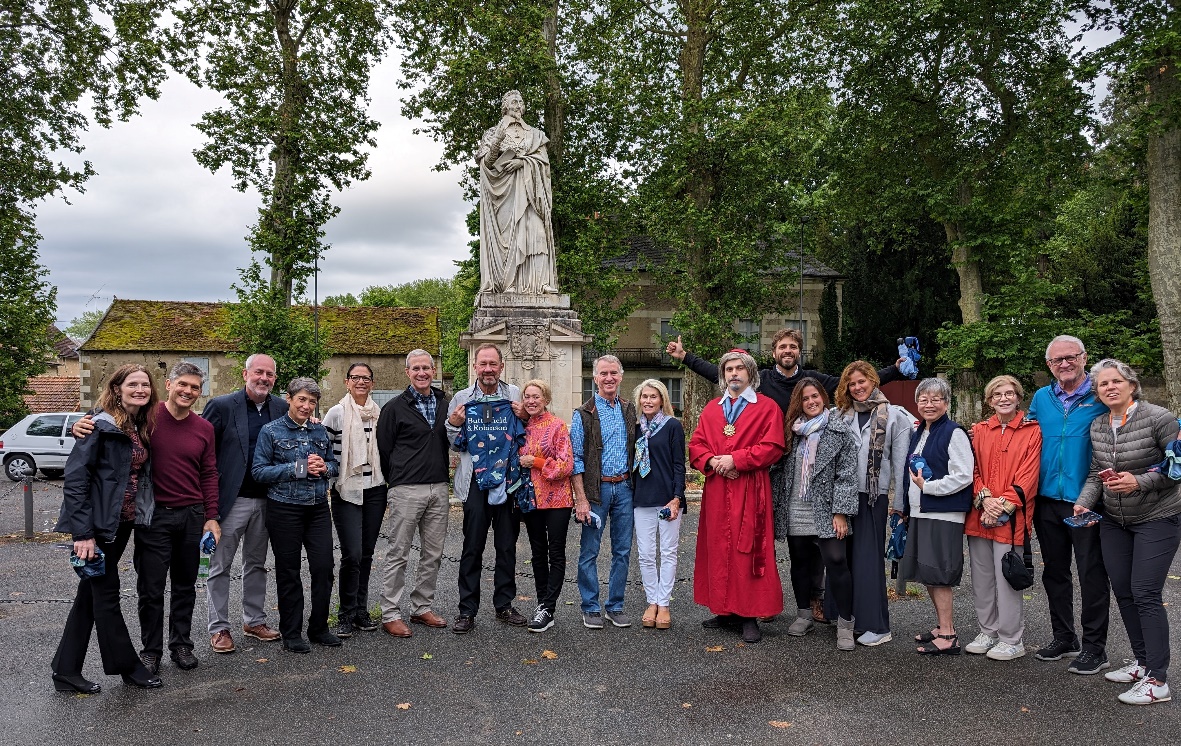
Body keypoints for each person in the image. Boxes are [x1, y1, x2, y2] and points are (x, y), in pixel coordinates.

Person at [668, 329, 903, 623]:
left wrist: (893, 370)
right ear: (775, 351)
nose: (787, 350)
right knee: (762, 551)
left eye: (793, 346)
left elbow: (852, 383)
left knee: (791, 552)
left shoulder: (805, 392)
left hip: (760, 480)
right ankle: (730, 608)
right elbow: (700, 435)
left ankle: (796, 607)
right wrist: (685, 357)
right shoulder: (745, 391)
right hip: (762, 481)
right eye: (782, 346)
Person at [72, 362, 222, 674]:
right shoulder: (148, 418)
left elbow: (209, 473)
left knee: (184, 585)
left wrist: (212, 517)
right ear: (169, 384)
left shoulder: (204, 428)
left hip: (193, 516)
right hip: (155, 517)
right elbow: (110, 419)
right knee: (151, 588)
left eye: (195, 387)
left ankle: (181, 645)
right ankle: (151, 650)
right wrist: (81, 423)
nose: (188, 391)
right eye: (183, 384)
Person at [1074, 359, 1181, 705]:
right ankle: (1143, 662)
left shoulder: (1159, 418)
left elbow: (1176, 468)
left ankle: (1159, 681)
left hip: (1159, 516)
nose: (1110, 388)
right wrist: (1084, 502)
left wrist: (1139, 481)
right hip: (1114, 520)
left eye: (1116, 381)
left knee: (1145, 592)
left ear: (1131, 384)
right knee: (1123, 590)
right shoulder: (1098, 425)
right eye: (1103, 384)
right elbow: (1095, 472)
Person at [52, 364, 163, 692]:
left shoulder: (140, 424)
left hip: (122, 525)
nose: (140, 389)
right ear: (117, 388)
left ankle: (64, 669)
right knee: (106, 596)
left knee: (89, 596)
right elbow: (75, 479)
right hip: (96, 529)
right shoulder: (97, 424)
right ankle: (129, 667)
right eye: (132, 384)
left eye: (145, 384)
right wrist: (82, 534)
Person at [1026, 335, 1111, 674]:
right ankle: (1064, 637)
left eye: (1070, 357)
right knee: (1055, 572)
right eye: (1057, 360)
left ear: (1083, 357)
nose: (1064, 364)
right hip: (1047, 500)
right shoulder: (1041, 398)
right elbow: (1024, 434)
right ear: (1049, 365)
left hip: (1087, 500)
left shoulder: (1100, 395)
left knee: (1092, 574)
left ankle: (1094, 647)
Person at [689, 349, 786, 643]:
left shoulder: (767, 407)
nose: (733, 374)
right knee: (718, 548)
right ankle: (724, 609)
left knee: (748, 549)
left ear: (751, 374)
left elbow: (773, 447)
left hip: (750, 489)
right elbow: (696, 445)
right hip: (718, 489)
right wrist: (715, 463)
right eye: (729, 369)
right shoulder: (712, 409)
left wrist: (736, 460)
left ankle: (749, 614)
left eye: (739, 369)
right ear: (723, 375)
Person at [201, 353, 286, 653]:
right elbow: (202, 449)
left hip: (267, 500)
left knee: (256, 564)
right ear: (245, 374)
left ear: (275, 378)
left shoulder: (281, 407)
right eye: (258, 372)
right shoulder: (222, 406)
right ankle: (219, 628)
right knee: (219, 565)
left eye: (270, 374)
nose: (264, 378)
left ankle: (254, 620)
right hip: (231, 500)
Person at [252, 378, 340, 653]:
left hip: (317, 508)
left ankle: (319, 627)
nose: (306, 405)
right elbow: (259, 472)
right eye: (301, 399)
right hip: (284, 508)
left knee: (324, 567)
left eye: (312, 401)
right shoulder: (271, 431)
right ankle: (291, 632)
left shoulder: (320, 432)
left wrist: (325, 467)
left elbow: (335, 464)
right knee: (288, 571)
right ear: (289, 398)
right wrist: (299, 467)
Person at [446, 343, 529, 634]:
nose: (488, 369)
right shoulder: (461, 398)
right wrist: (452, 424)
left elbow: (527, 434)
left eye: (493, 364)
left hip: (508, 482)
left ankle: (504, 604)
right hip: (475, 481)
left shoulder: (515, 395)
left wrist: (525, 417)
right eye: (483, 364)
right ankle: (466, 610)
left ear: (501, 367)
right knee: (472, 546)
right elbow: (454, 443)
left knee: (506, 545)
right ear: (475, 367)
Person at [774, 377, 859, 650]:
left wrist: (841, 512)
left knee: (836, 562)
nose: (811, 402)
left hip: (826, 509)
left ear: (824, 398)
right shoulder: (791, 432)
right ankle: (804, 614)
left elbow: (847, 476)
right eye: (805, 399)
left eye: (815, 397)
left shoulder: (839, 431)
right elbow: (777, 466)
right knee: (799, 563)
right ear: (798, 403)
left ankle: (846, 623)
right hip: (795, 507)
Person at [832, 361, 913, 646]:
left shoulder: (895, 416)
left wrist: (900, 506)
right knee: (843, 559)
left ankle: (877, 626)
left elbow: (902, 465)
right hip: (841, 497)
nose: (857, 387)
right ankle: (846, 615)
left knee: (867, 561)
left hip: (872, 497)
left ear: (873, 380)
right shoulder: (839, 415)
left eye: (862, 381)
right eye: (852, 383)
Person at [964, 375, 1041, 661]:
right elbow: (971, 468)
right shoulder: (980, 430)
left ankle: (1011, 639)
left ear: (1019, 398)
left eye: (1009, 393)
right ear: (989, 400)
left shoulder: (1032, 431)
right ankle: (988, 631)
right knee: (982, 578)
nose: (1004, 398)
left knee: (1007, 576)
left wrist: (1002, 505)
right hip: (979, 515)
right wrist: (984, 499)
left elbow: (1029, 474)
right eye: (997, 394)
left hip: (1011, 518)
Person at [375, 350, 452, 637]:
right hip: (406, 489)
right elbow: (384, 449)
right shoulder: (394, 408)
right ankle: (390, 612)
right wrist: (396, 480)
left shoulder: (445, 403)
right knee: (399, 552)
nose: (422, 373)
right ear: (407, 372)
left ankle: (422, 607)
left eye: (426, 368)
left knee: (433, 553)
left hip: (439, 487)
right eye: (416, 368)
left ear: (434, 370)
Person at [901, 377, 973, 655]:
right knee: (929, 572)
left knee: (940, 573)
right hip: (922, 511)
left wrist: (929, 488)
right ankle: (942, 626)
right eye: (923, 399)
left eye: (935, 399)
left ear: (946, 403)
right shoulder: (921, 432)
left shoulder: (954, 432)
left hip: (944, 513)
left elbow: (964, 475)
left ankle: (949, 634)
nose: (929, 404)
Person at [572, 354, 638, 629]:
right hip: (596, 492)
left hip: (624, 488)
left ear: (620, 377)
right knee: (589, 551)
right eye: (603, 374)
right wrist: (581, 499)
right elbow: (576, 459)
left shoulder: (629, 409)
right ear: (595, 378)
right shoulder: (583, 413)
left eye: (613, 373)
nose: (609, 378)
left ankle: (615, 605)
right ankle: (590, 607)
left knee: (622, 551)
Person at [323, 363, 386, 638]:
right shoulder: (336, 413)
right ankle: (346, 613)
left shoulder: (378, 413)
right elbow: (322, 447)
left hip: (375, 489)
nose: (361, 382)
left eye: (366, 378)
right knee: (353, 554)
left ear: (372, 383)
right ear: (347, 382)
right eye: (356, 378)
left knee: (368, 553)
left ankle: (361, 609)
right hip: (347, 490)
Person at [476, 89, 559, 296]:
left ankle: (540, 284)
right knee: (509, 239)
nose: (517, 104)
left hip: (530, 193)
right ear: (505, 106)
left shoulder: (535, 134)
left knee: (538, 233)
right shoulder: (492, 133)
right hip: (504, 195)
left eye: (520, 101)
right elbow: (486, 164)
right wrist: (498, 139)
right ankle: (508, 284)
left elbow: (543, 165)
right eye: (513, 101)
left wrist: (522, 161)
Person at [517, 379, 575, 632]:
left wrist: (537, 462)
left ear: (546, 399)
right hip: (531, 500)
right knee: (537, 554)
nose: (531, 401)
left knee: (556, 553)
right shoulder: (520, 427)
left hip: (558, 499)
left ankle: (548, 606)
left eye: (536, 396)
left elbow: (566, 465)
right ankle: (543, 605)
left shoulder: (557, 426)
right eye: (527, 396)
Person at [630, 379, 686, 631]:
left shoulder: (673, 426)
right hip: (641, 498)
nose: (648, 401)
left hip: (667, 500)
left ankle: (664, 603)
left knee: (668, 551)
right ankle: (651, 600)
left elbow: (678, 465)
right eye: (644, 396)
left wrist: (676, 498)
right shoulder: (636, 428)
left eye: (653, 396)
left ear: (662, 399)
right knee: (645, 553)